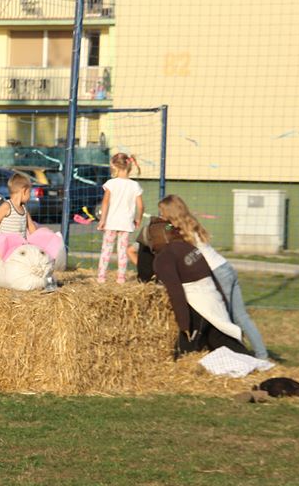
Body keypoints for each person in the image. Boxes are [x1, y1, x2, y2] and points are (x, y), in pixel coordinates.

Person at [158, 194, 268, 359]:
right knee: (241, 317)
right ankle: (262, 355)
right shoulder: (191, 222)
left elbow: (165, 232)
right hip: (225, 267)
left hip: (216, 273)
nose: (160, 216)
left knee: (223, 320)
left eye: (162, 212)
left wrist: (161, 224)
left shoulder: (179, 231)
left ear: (170, 213)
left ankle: (239, 356)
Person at [149, 220, 249, 356]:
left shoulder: (164, 257)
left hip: (198, 306)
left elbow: (175, 291)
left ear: (156, 239)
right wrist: (223, 302)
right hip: (213, 298)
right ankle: (252, 363)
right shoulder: (188, 247)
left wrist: (184, 324)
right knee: (220, 340)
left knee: (184, 353)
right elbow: (211, 276)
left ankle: (253, 364)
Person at [97, 153, 143, 284]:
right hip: (126, 223)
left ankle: (101, 277)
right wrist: (138, 219)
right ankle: (121, 278)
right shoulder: (135, 185)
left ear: (114, 167)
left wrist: (102, 220)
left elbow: (105, 202)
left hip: (111, 223)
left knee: (106, 249)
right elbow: (141, 206)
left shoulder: (111, 184)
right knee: (122, 251)